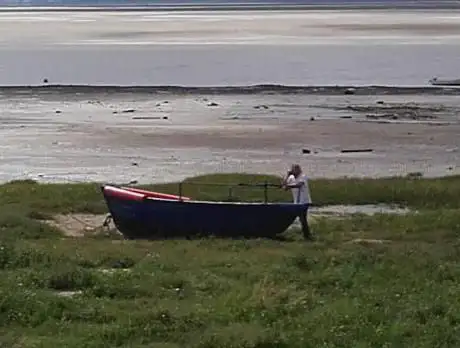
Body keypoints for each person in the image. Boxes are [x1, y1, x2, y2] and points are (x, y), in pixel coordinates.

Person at [282, 164, 313, 240]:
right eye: (293, 169)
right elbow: (284, 186)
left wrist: (289, 186)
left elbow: (299, 185)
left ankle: (307, 236)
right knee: (296, 218)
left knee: (302, 219)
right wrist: (287, 175)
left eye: (295, 169)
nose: (294, 171)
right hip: (296, 202)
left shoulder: (303, 176)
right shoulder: (291, 178)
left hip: (304, 202)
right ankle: (305, 234)